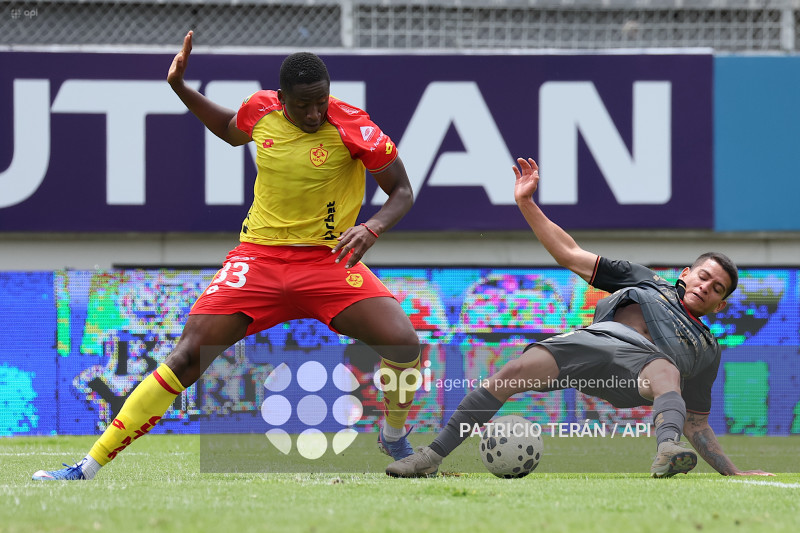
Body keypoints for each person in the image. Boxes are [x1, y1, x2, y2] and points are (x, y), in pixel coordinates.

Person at [33, 31, 421, 480]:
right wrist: (180, 88)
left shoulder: (355, 126)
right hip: (257, 261)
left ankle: (393, 436)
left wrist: (372, 226)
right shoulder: (260, 109)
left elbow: (402, 192)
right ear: (282, 99)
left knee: (404, 344)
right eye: (303, 105)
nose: (315, 113)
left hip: (326, 261)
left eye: (322, 102)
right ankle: (87, 467)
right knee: (186, 356)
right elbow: (227, 130)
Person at [386, 157, 775, 479]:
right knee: (508, 375)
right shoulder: (647, 279)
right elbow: (570, 254)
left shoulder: (707, 348)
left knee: (666, 371)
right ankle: (431, 457)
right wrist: (526, 203)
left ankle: (666, 450)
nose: (707, 286)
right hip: (592, 342)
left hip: (637, 374)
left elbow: (697, 423)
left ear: (719, 305)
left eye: (718, 288)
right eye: (704, 276)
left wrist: (734, 473)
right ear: (686, 274)